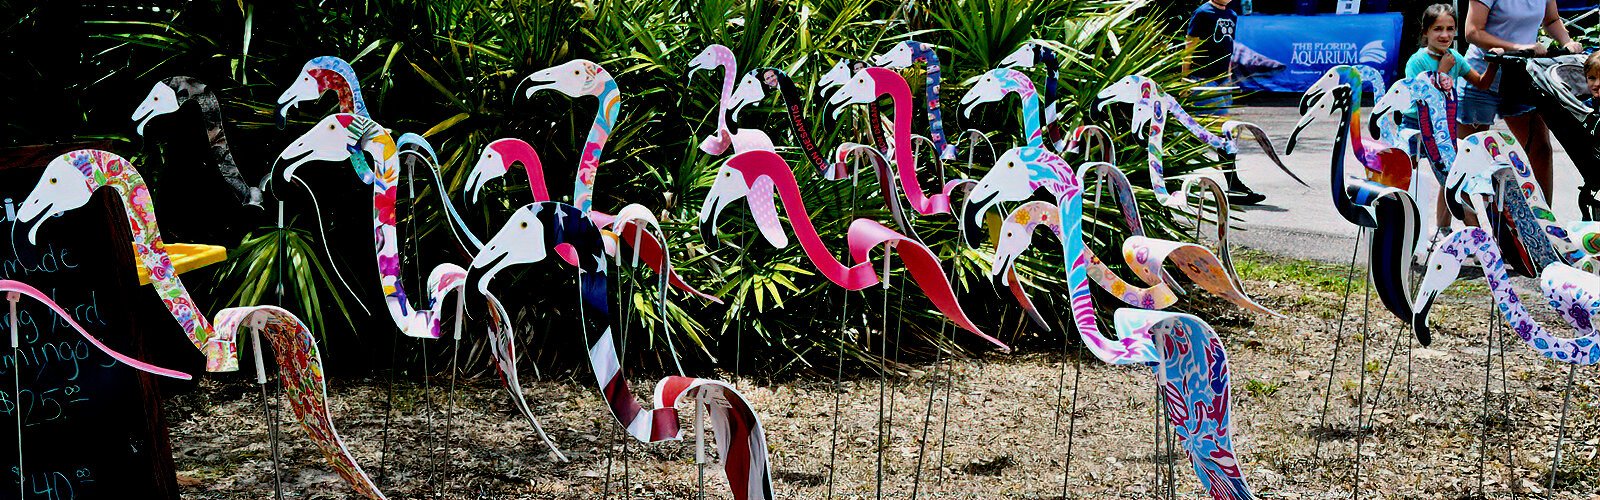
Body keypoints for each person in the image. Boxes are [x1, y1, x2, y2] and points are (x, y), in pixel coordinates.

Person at [1461, 0, 1585, 205]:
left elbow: (1552, 19)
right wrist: (1518, 47)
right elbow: (1472, 32)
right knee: (1472, 156)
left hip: (1520, 74)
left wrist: (1567, 41)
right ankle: (1456, 226)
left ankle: (1545, 223)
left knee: (1541, 149)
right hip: (1481, 74)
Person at [1404, 4, 1496, 247]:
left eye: (1450, 29)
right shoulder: (1417, 61)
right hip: (1416, 125)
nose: (1445, 35)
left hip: (1443, 127)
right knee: (1406, 177)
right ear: (1425, 32)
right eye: (1438, 29)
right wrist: (1442, 72)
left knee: (1452, 178)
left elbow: (1482, 83)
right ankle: (1407, 231)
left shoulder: (1455, 58)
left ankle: (1451, 232)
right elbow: (1420, 98)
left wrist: (1495, 62)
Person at [1183, 0, 1264, 205]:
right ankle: (1233, 184)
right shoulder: (1203, 13)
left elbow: (1229, 46)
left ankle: (1233, 184)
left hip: (1221, 81)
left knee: (1219, 131)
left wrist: (1228, 76)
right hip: (1203, 81)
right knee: (1220, 131)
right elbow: (1190, 44)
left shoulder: (1232, 15)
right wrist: (1184, 78)